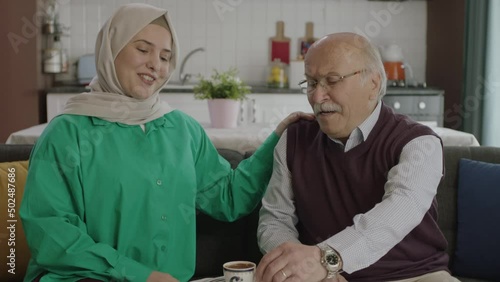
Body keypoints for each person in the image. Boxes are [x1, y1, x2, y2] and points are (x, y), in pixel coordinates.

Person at [19, 3, 313, 282]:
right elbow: (51, 234)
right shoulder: (66, 133)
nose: (155, 65)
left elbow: (228, 199)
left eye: (164, 56)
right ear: (112, 49)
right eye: (143, 49)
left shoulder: (182, 129)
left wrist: (277, 137)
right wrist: (137, 274)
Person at [256, 32, 460, 282]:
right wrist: (300, 268)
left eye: (331, 80)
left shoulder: (419, 142)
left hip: (416, 275)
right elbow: (275, 219)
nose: (317, 97)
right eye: (311, 83)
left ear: (373, 84)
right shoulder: (294, 139)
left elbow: (399, 211)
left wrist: (326, 259)